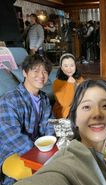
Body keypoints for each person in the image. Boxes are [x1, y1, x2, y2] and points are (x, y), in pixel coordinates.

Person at [15, 79, 106, 185]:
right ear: (74, 119)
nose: (97, 114)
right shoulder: (68, 163)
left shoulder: (98, 157)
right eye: (87, 107)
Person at [0, 54, 55, 185]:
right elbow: (11, 137)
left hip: (38, 149)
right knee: (37, 176)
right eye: (35, 71)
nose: (41, 76)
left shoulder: (44, 98)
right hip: (11, 152)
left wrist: (49, 145)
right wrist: (38, 154)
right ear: (24, 72)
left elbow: (49, 124)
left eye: (45, 72)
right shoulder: (9, 99)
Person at [53, 53, 84, 118]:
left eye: (72, 65)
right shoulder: (57, 83)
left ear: (75, 66)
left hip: (79, 109)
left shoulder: (80, 79)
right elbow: (66, 103)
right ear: (61, 67)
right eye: (66, 66)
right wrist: (70, 84)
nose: (69, 69)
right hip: (65, 114)